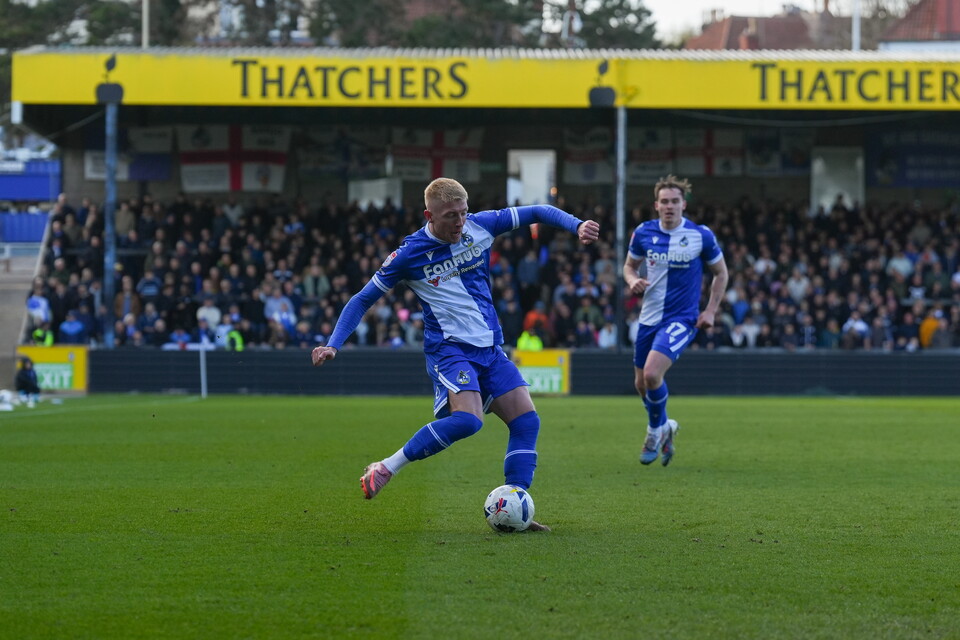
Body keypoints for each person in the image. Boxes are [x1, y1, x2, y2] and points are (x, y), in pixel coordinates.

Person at [312, 177, 600, 531]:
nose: (460, 222)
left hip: (490, 349)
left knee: (527, 421)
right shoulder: (409, 254)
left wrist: (577, 225)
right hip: (449, 350)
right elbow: (362, 299)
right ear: (429, 215)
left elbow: (538, 210)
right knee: (468, 421)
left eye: (463, 213)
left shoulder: (481, 224)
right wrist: (333, 343)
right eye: (451, 216)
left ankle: (515, 504)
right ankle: (386, 467)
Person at [623, 175, 729, 466]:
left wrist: (709, 311)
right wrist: (632, 280)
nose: (669, 206)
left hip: (681, 318)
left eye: (675, 201)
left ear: (684, 204)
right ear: (656, 205)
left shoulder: (700, 235)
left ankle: (653, 432)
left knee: (652, 374)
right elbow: (629, 266)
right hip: (649, 318)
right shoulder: (643, 232)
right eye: (664, 202)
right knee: (640, 383)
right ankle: (667, 426)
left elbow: (721, 273)